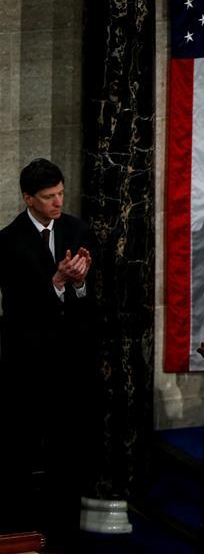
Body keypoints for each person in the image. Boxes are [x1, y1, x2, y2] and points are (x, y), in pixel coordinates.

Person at [0, 158, 96, 544]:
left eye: (60, 193)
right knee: (21, 453)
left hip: (68, 366)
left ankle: (65, 534)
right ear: (28, 198)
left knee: (66, 454)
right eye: (48, 197)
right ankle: (21, 534)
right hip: (26, 367)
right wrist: (55, 282)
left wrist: (80, 284)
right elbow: (17, 308)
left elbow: (90, 302)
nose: (58, 202)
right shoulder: (7, 241)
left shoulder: (76, 229)